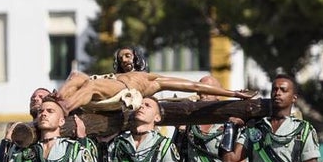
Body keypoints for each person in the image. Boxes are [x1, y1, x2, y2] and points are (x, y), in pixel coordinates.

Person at [54, 66, 256, 115]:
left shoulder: (155, 80)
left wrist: (234, 94)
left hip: (121, 92)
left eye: (129, 56)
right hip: (106, 87)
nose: (125, 60)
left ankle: (64, 108)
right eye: (122, 56)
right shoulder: (120, 72)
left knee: (91, 84)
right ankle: (56, 99)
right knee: (77, 75)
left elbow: (194, 86)